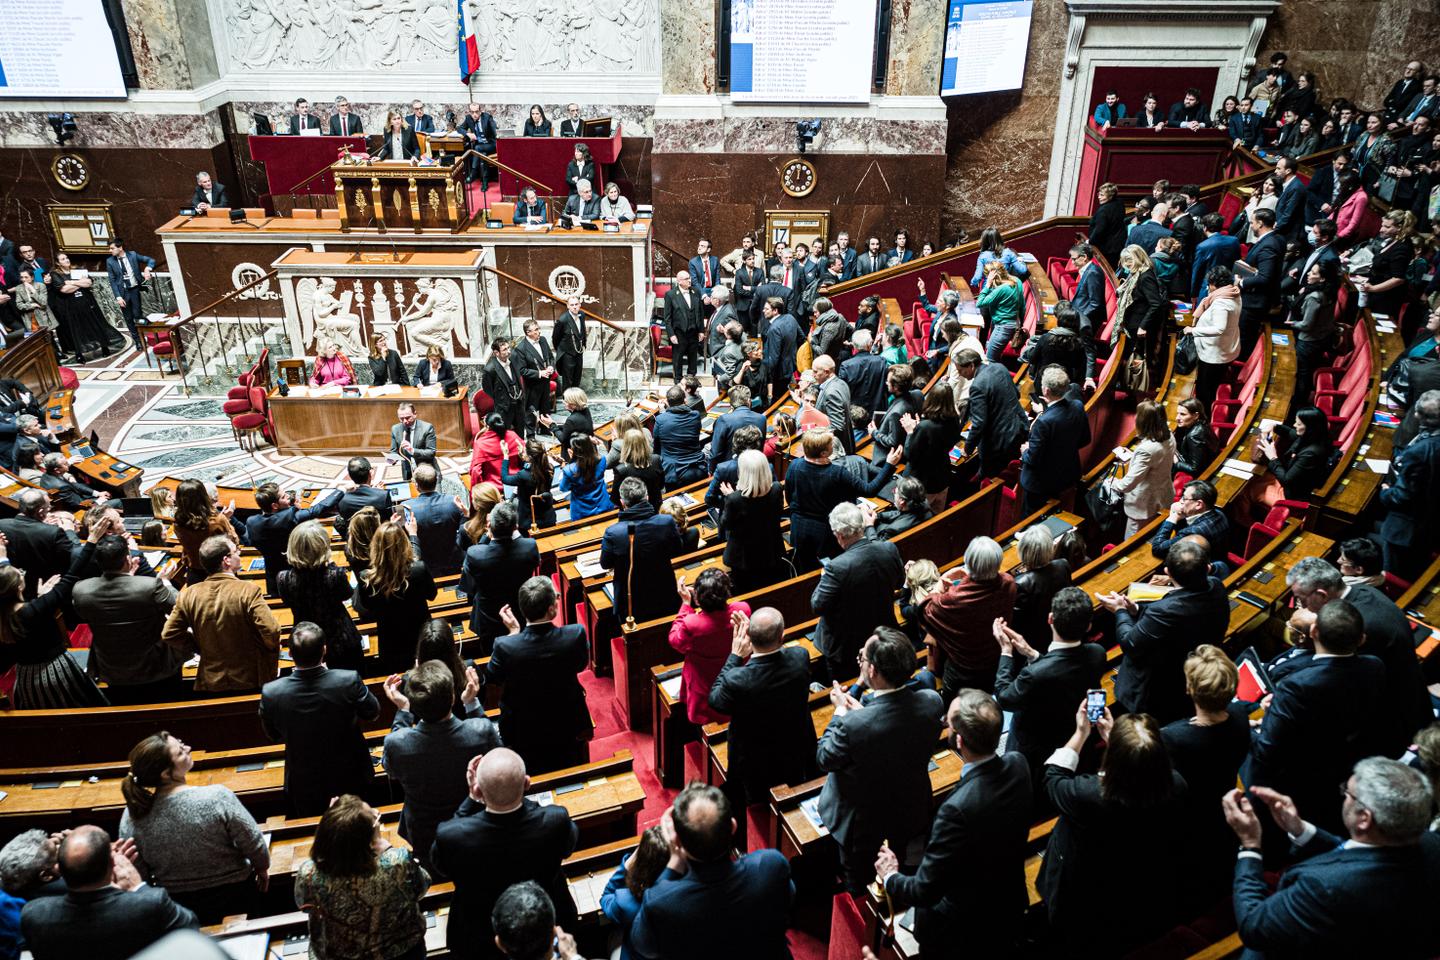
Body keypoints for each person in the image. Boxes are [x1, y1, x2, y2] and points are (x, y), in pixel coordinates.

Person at [874, 690, 1032, 959]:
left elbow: (924, 890)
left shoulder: (955, 811)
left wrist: (890, 876)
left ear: (959, 740)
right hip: (1008, 901)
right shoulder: (1019, 764)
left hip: (963, 927)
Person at [1224, 759, 1435, 958]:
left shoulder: (1322, 888)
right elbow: (1362, 859)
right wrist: (1299, 829)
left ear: (1364, 818)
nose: (1344, 796)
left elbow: (1253, 927)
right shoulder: (1431, 844)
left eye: (1348, 793)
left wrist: (1250, 845)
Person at [1039, 710, 1188, 951]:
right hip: (1138, 880)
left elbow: (1053, 777)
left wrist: (1080, 733)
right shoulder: (1177, 784)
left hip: (1083, 887)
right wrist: (1118, 741)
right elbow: (1141, 767)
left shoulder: (1088, 795)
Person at [1245, 598, 1389, 838]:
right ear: (1361, 639)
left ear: (1313, 631)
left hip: (1299, 775)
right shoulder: (1375, 665)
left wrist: (1248, 726)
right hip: (1345, 761)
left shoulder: (1296, 685)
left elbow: (1266, 750)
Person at [817, 627, 945, 892]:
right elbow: (890, 728)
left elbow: (825, 757)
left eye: (864, 657)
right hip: (910, 806)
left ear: (873, 670)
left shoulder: (852, 725)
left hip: (862, 823)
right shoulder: (931, 702)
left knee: (859, 879)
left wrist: (841, 710)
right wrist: (863, 705)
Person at [432, 748, 579, 960]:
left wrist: (471, 801)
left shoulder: (451, 835)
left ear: (479, 791)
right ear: (527, 783)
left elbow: (440, 865)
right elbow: (567, 847)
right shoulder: (555, 820)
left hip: (479, 933)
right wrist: (517, 792)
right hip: (546, 921)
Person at [1283, 557, 1430, 756]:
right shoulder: (1364, 592)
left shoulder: (1356, 627)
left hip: (1391, 716)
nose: (1300, 606)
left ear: (1321, 594)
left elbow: (1341, 681)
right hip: (1406, 691)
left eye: (1301, 599)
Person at [118, 732, 270, 924]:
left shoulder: (132, 815)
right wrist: (262, 867)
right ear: (165, 773)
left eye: (182, 744)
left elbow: (138, 872)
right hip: (235, 894)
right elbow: (252, 841)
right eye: (181, 752)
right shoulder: (217, 797)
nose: (188, 749)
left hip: (176, 904)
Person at [628, 783, 793, 960]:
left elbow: (643, 946)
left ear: (676, 840)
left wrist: (674, 860)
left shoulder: (660, 902)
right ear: (733, 826)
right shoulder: (770, 866)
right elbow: (787, 901)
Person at [382, 660, 502, 874]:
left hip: (423, 831)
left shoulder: (396, 743)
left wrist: (402, 712)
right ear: (453, 697)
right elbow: (497, 757)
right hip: (475, 823)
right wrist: (472, 704)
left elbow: (391, 770)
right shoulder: (480, 730)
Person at [1097, 536, 1228, 723]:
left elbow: (1129, 642)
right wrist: (1135, 609)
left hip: (1158, 689)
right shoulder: (1216, 586)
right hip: (1192, 669)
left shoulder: (1166, 611)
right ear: (1207, 569)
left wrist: (1120, 611)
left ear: (1168, 572)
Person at [18, 825, 197, 960]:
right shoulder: (150, 903)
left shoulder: (34, 914)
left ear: (60, 871)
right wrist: (137, 887)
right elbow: (191, 928)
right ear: (113, 863)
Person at [1160, 644, 1251, 903]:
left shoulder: (1172, 739)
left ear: (1190, 689)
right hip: (1221, 808)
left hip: (1187, 816)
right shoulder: (1240, 717)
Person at [259, 622, 379, 817]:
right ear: (325, 650)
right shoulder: (347, 680)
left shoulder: (272, 693)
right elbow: (372, 713)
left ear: (290, 654)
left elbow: (272, 734)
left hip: (305, 780)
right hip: (351, 774)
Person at [293, 795, 431, 960]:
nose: (377, 815)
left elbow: (303, 903)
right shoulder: (398, 862)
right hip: (402, 953)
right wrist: (388, 849)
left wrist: (332, 823)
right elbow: (422, 887)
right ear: (368, 839)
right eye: (375, 817)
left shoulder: (310, 874)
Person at [994, 586, 1104, 787]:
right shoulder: (1097, 653)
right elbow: (1059, 670)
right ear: (1088, 626)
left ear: (1050, 619)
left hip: (1037, 754)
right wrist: (1032, 654)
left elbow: (1004, 698)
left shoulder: (1034, 674)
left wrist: (1006, 652)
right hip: (1076, 741)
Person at [486, 576, 590, 773]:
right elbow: (580, 665)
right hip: (566, 721)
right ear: (551, 609)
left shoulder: (505, 645)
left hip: (522, 728)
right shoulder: (574, 634)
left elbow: (493, 677)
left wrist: (513, 633)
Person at [0, 520, 105, 708]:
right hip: (56, 673)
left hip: (25, 677)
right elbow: (72, 575)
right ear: (18, 586)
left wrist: (2, 554)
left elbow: (3, 578)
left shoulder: (9, 613)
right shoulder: (37, 608)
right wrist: (91, 541)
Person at [71, 533, 184, 705]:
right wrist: (166, 583)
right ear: (128, 559)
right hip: (156, 667)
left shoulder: (81, 590)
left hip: (112, 669)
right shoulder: (150, 585)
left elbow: (86, 613)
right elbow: (179, 609)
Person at [160, 535, 280, 694]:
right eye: (235, 551)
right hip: (250, 678)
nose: (239, 553)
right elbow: (271, 631)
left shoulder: (188, 594)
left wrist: (200, 647)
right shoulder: (248, 591)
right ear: (227, 560)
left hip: (210, 680)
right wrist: (268, 653)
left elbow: (170, 634)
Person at [811, 502, 905, 683]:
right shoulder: (888, 549)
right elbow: (900, 582)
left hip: (846, 647)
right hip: (883, 633)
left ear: (838, 535)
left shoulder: (835, 568)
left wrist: (824, 576)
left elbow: (817, 606)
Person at [785, 428, 899, 571]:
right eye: (831, 444)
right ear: (824, 453)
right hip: (827, 532)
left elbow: (789, 498)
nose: (833, 445)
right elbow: (869, 490)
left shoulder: (794, 466)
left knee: (805, 571)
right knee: (836, 568)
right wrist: (889, 464)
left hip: (799, 528)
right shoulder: (836, 473)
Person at [922, 536, 1015, 702]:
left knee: (954, 710)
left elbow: (925, 610)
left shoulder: (954, 598)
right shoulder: (1009, 583)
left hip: (962, 671)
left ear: (968, 562)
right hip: (993, 662)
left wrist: (937, 587)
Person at [276, 521, 363, 672]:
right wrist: (332, 565)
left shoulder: (283, 578)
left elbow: (287, 601)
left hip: (304, 642)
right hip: (340, 639)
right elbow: (347, 594)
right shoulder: (335, 574)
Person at [668, 569, 749, 726]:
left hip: (705, 688)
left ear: (697, 600)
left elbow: (675, 641)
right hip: (737, 679)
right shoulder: (742, 610)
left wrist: (686, 603)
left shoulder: (692, 623)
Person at [600, 477, 684, 626]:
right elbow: (677, 550)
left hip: (631, 601)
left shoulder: (613, 532)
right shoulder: (666, 522)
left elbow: (605, 564)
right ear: (647, 497)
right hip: (664, 592)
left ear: (622, 503)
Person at [1380, 390, 1440, 577]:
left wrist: (1386, 492)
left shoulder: (1420, 451)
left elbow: (1402, 496)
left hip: (1406, 530)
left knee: (1394, 576)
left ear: (1418, 415)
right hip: (1432, 523)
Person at [244, 481, 341, 595]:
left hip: (274, 577)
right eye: (284, 497)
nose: (288, 497)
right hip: (301, 572)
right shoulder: (290, 517)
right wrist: (340, 491)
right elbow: (318, 509)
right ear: (274, 505)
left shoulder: (252, 522)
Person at [1018, 367, 1090, 515]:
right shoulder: (1077, 406)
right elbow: (1085, 439)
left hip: (1041, 484)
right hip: (1067, 474)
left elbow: (1032, 458)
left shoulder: (1043, 423)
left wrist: (1025, 451)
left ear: (1046, 391)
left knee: (1031, 521)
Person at [717, 449, 786, 593]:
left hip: (744, 560)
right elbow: (777, 513)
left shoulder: (734, 499)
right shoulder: (777, 489)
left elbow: (726, 524)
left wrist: (729, 497)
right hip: (771, 551)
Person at [1111, 399, 1178, 538]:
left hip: (1144, 503)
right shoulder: (1168, 434)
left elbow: (1128, 484)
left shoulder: (1146, 450)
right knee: (1151, 533)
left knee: (1131, 540)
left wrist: (1113, 483)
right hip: (1163, 494)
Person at [957, 349, 1027, 480]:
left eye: (961, 370)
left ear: (971, 366)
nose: (960, 374)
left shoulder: (977, 386)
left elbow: (978, 423)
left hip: (998, 442)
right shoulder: (999, 367)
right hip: (1018, 428)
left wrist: (967, 449)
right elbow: (1016, 395)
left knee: (989, 478)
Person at [1007, 523, 1075, 653]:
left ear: (1022, 551)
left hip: (1033, 642)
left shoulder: (1020, 584)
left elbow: (1016, 624)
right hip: (1058, 631)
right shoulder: (1063, 565)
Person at [46, 252, 126, 359]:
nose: (67, 260)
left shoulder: (78, 270)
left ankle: (104, 347)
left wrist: (71, 282)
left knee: (95, 324)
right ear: (58, 263)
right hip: (70, 306)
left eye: (67, 258)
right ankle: (79, 354)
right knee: (76, 329)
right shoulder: (55, 274)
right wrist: (80, 283)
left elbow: (88, 283)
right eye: (63, 259)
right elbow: (64, 290)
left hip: (86, 302)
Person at [168, 481, 235, 587]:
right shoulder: (217, 520)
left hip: (195, 572)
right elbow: (233, 540)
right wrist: (226, 520)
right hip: (220, 571)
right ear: (204, 496)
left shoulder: (178, 524)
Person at [1258, 407, 1333, 501]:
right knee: (1256, 477)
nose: (1294, 425)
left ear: (1310, 427)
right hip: (1294, 483)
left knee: (1248, 489)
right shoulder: (1316, 436)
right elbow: (1290, 432)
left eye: (1298, 424)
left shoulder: (1311, 454)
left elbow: (1286, 480)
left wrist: (1273, 457)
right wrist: (1274, 426)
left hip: (1293, 495)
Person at [1355, 209, 1418, 318]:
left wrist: (1373, 288)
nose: (1381, 229)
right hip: (1376, 294)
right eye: (1382, 225)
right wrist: (1369, 279)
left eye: (1387, 227)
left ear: (1399, 228)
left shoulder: (1402, 248)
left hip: (1385, 300)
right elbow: (1385, 270)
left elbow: (1398, 279)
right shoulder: (1393, 241)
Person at [408, 463, 466, 578]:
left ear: (416, 485)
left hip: (425, 565)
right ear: (436, 481)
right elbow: (463, 530)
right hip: (453, 561)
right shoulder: (453, 502)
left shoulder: (408, 508)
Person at [1149, 477, 1230, 558]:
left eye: (1184, 498)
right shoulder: (1220, 513)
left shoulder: (1193, 532)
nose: (1180, 501)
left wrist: (1172, 518)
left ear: (1198, 504)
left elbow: (1158, 549)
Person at [104, 239, 155, 351]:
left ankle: (144, 335)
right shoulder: (110, 261)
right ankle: (137, 341)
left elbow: (151, 260)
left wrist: (147, 269)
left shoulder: (133, 255)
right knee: (128, 318)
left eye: (112, 248)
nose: (110, 250)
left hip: (134, 290)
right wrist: (118, 297)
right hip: (123, 293)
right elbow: (112, 280)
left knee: (138, 314)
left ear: (120, 247)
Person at [652, 385, 706, 488]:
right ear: (684, 400)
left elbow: (657, 447)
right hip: (697, 467)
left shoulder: (660, 419)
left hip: (674, 473)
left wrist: (664, 411)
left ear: (668, 402)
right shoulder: (695, 415)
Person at [976, 260, 1024, 361]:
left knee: (990, 359)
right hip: (1011, 324)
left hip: (1002, 328)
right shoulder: (1017, 281)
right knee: (994, 354)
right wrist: (1021, 323)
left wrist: (988, 285)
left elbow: (979, 303)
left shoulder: (1001, 289)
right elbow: (1022, 306)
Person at [335, 456, 392, 538]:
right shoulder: (383, 496)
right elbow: (388, 521)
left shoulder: (341, 499)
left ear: (350, 476)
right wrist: (377, 492)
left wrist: (374, 491)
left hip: (355, 539)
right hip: (378, 538)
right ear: (370, 473)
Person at [559, 433, 613, 521]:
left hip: (582, 512)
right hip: (603, 505)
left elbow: (563, 488)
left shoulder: (569, 470)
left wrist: (566, 464)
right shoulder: (601, 460)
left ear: (573, 451)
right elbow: (602, 453)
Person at [863, 475, 932, 540]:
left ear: (902, 501)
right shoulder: (922, 503)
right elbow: (900, 513)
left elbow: (876, 547)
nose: (893, 493)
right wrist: (877, 515)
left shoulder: (893, 530)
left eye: (894, 492)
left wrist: (869, 526)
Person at [662, 270, 703, 378]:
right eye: (686, 279)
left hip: (694, 332)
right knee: (678, 358)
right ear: (679, 281)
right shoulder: (670, 295)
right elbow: (667, 318)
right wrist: (671, 334)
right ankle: (678, 379)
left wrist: (701, 331)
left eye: (689, 278)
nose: (689, 280)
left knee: (693, 357)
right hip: (679, 332)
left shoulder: (695, 292)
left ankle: (691, 379)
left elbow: (700, 313)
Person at [35, 452, 105, 511]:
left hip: (76, 496)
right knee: (115, 500)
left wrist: (97, 493)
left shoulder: (47, 474)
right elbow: (79, 505)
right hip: (82, 507)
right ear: (57, 470)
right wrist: (99, 501)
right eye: (65, 464)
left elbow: (73, 485)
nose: (68, 464)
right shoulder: (61, 486)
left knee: (95, 487)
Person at [1087, 183, 1127, 268]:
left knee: (1105, 270)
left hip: (1105, 248)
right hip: (1118, 245)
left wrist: (1090, 241)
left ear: (1110, 196)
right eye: (1099, 194)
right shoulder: (1120, 203)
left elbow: (1099, 230)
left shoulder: (1103, 211)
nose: (1099, 197)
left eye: (1102, 195)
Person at [458, 103, 498, 187]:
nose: (474, 114)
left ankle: (473, 174)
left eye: (476, 112)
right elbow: (460, 128)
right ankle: (485, 182)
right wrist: (468, 134)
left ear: (480, 111)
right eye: (472, 112)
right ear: (469, 112)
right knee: (483, 155)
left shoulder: (487, 117)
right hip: (480, 147)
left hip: (491, 144)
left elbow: (495, 130)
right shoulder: (468, 118)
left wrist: (495, 129)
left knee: (477, 147)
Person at [552, 296, 587, 391]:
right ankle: (567, 402)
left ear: (580, 305)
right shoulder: (562, 320)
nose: (574, 307)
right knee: (568, 381)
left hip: (579, 352)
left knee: (577, 378)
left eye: (576, 304)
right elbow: (555, 339)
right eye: (572, 305)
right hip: (567, 354)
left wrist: (583, 345)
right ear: (568, 306)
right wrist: (562, 350)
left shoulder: (582, 315)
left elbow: (582, 331)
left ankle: (575, 400)